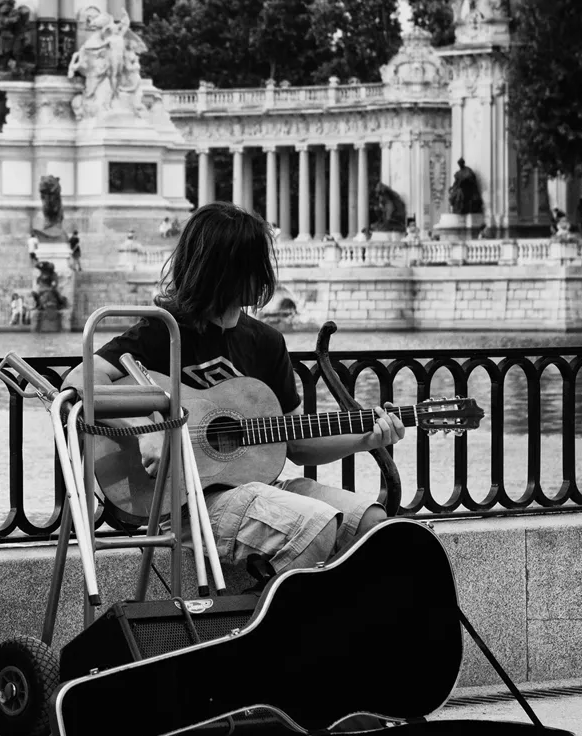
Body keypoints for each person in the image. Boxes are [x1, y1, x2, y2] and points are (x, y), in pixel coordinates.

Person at [61, 202, 405, 579]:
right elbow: (79, 380)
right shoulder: (164, 331)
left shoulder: (267, 342)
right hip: (185, 501)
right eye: (256, 263)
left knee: (375, 526)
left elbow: (297, 442)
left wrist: (365, 440)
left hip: (258, 488)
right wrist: (147, 431)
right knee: (316, 528)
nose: (265, 275)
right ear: (223, 269)